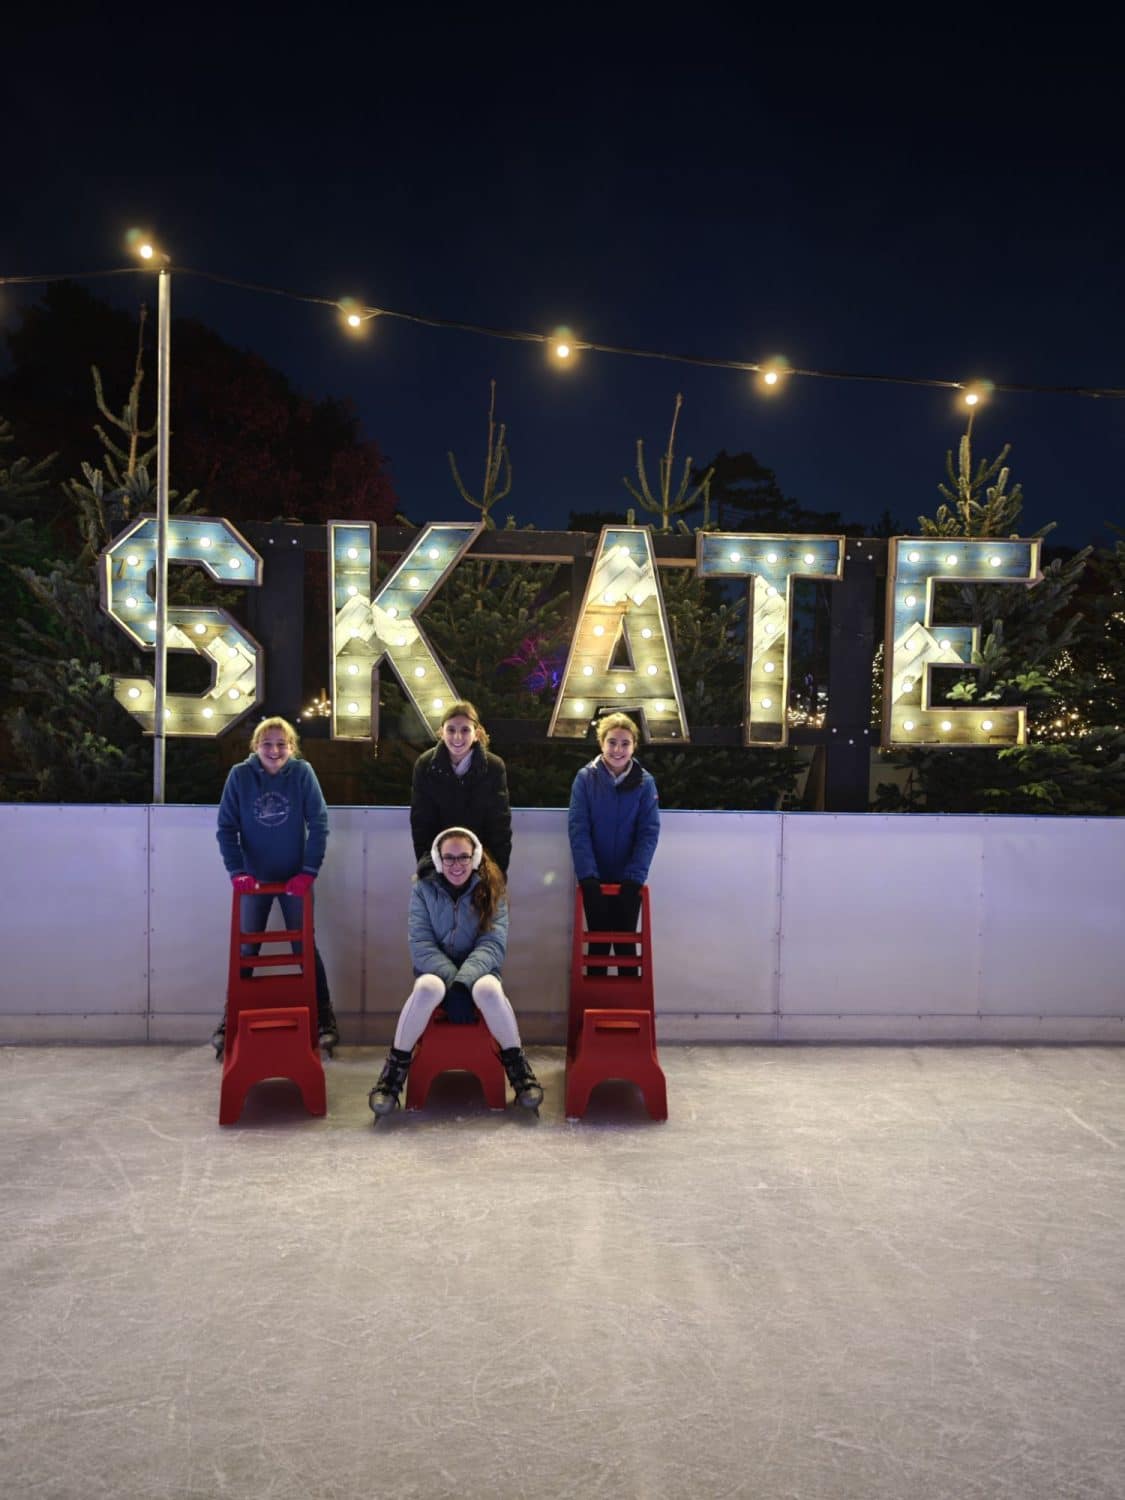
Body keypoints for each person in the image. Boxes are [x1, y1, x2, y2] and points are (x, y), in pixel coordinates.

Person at [369, 826, 543, 1117]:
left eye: (463, 857)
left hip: (480, 971)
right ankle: (392, 1076)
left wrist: (464, 983)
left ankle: (519, 1071)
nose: (456, 864)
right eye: (448, 858)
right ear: (438, 860)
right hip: (435, 971)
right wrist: (452, 982)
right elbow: (421, 944)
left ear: (474, 858)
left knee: (488, 989)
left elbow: (492, 944)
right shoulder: (422, 889)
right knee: (427, 988)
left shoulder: (493, 888)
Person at [213, 716, 338, 1057]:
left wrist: (308, 871)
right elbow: (226, 828)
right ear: (256, 746)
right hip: (254, 880)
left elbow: (319, 822)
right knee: (247, 950)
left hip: (295, 878)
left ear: (291, 747)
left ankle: (325, 1018)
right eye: (267, 744)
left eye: (282, 744)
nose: (275, 750)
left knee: (304, 950)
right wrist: (237, 871)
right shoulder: (240, 776)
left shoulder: (301, 773)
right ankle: (230, 1019)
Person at [567, 711, 660, 976]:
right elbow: (579, 829)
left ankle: (628, 1010)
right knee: (596, 946)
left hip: (628, 880)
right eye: (612, 742)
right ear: (601, 743)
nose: (618, 749)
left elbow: (648, 832)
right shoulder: (586, 779)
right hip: (594, 879)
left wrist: (634, 877)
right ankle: (593, 1007)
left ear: (633, 746)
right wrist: (588, 875)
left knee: (625, 946)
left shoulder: (644, 782)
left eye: (625, 743)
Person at [411, 701, 512, 876]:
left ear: (476, 733)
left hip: (481, 865)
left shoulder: (494, 767)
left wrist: (496, 872)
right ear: (442, 732)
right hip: (439, 864)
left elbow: (499, 827)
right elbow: (421, 824)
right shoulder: (425, 765)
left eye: (465, 730)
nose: (457, 737)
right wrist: (429, 867)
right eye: (451, 730)